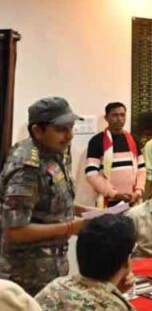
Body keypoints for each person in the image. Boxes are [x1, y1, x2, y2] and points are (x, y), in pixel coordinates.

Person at [0, 97, 91, 296]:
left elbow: (48, 200)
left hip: (51, 268)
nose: (69, 136)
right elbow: (15, 230)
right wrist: (71, 227)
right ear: (37, 131)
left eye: (71, 128)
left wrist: (85, 211)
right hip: (25, 276)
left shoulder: (54, 153)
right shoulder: (27, 167)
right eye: (61, 129)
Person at [86, 102, 146, 207]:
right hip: (108, 201)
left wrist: (138, 192)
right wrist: (114, 194)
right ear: (106, 118)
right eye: (115, 115)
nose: (119, 119)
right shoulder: (96, 141)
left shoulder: (134, 140)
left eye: (122, 115)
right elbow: (91, 174)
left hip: (132, 199)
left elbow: (141, 170)